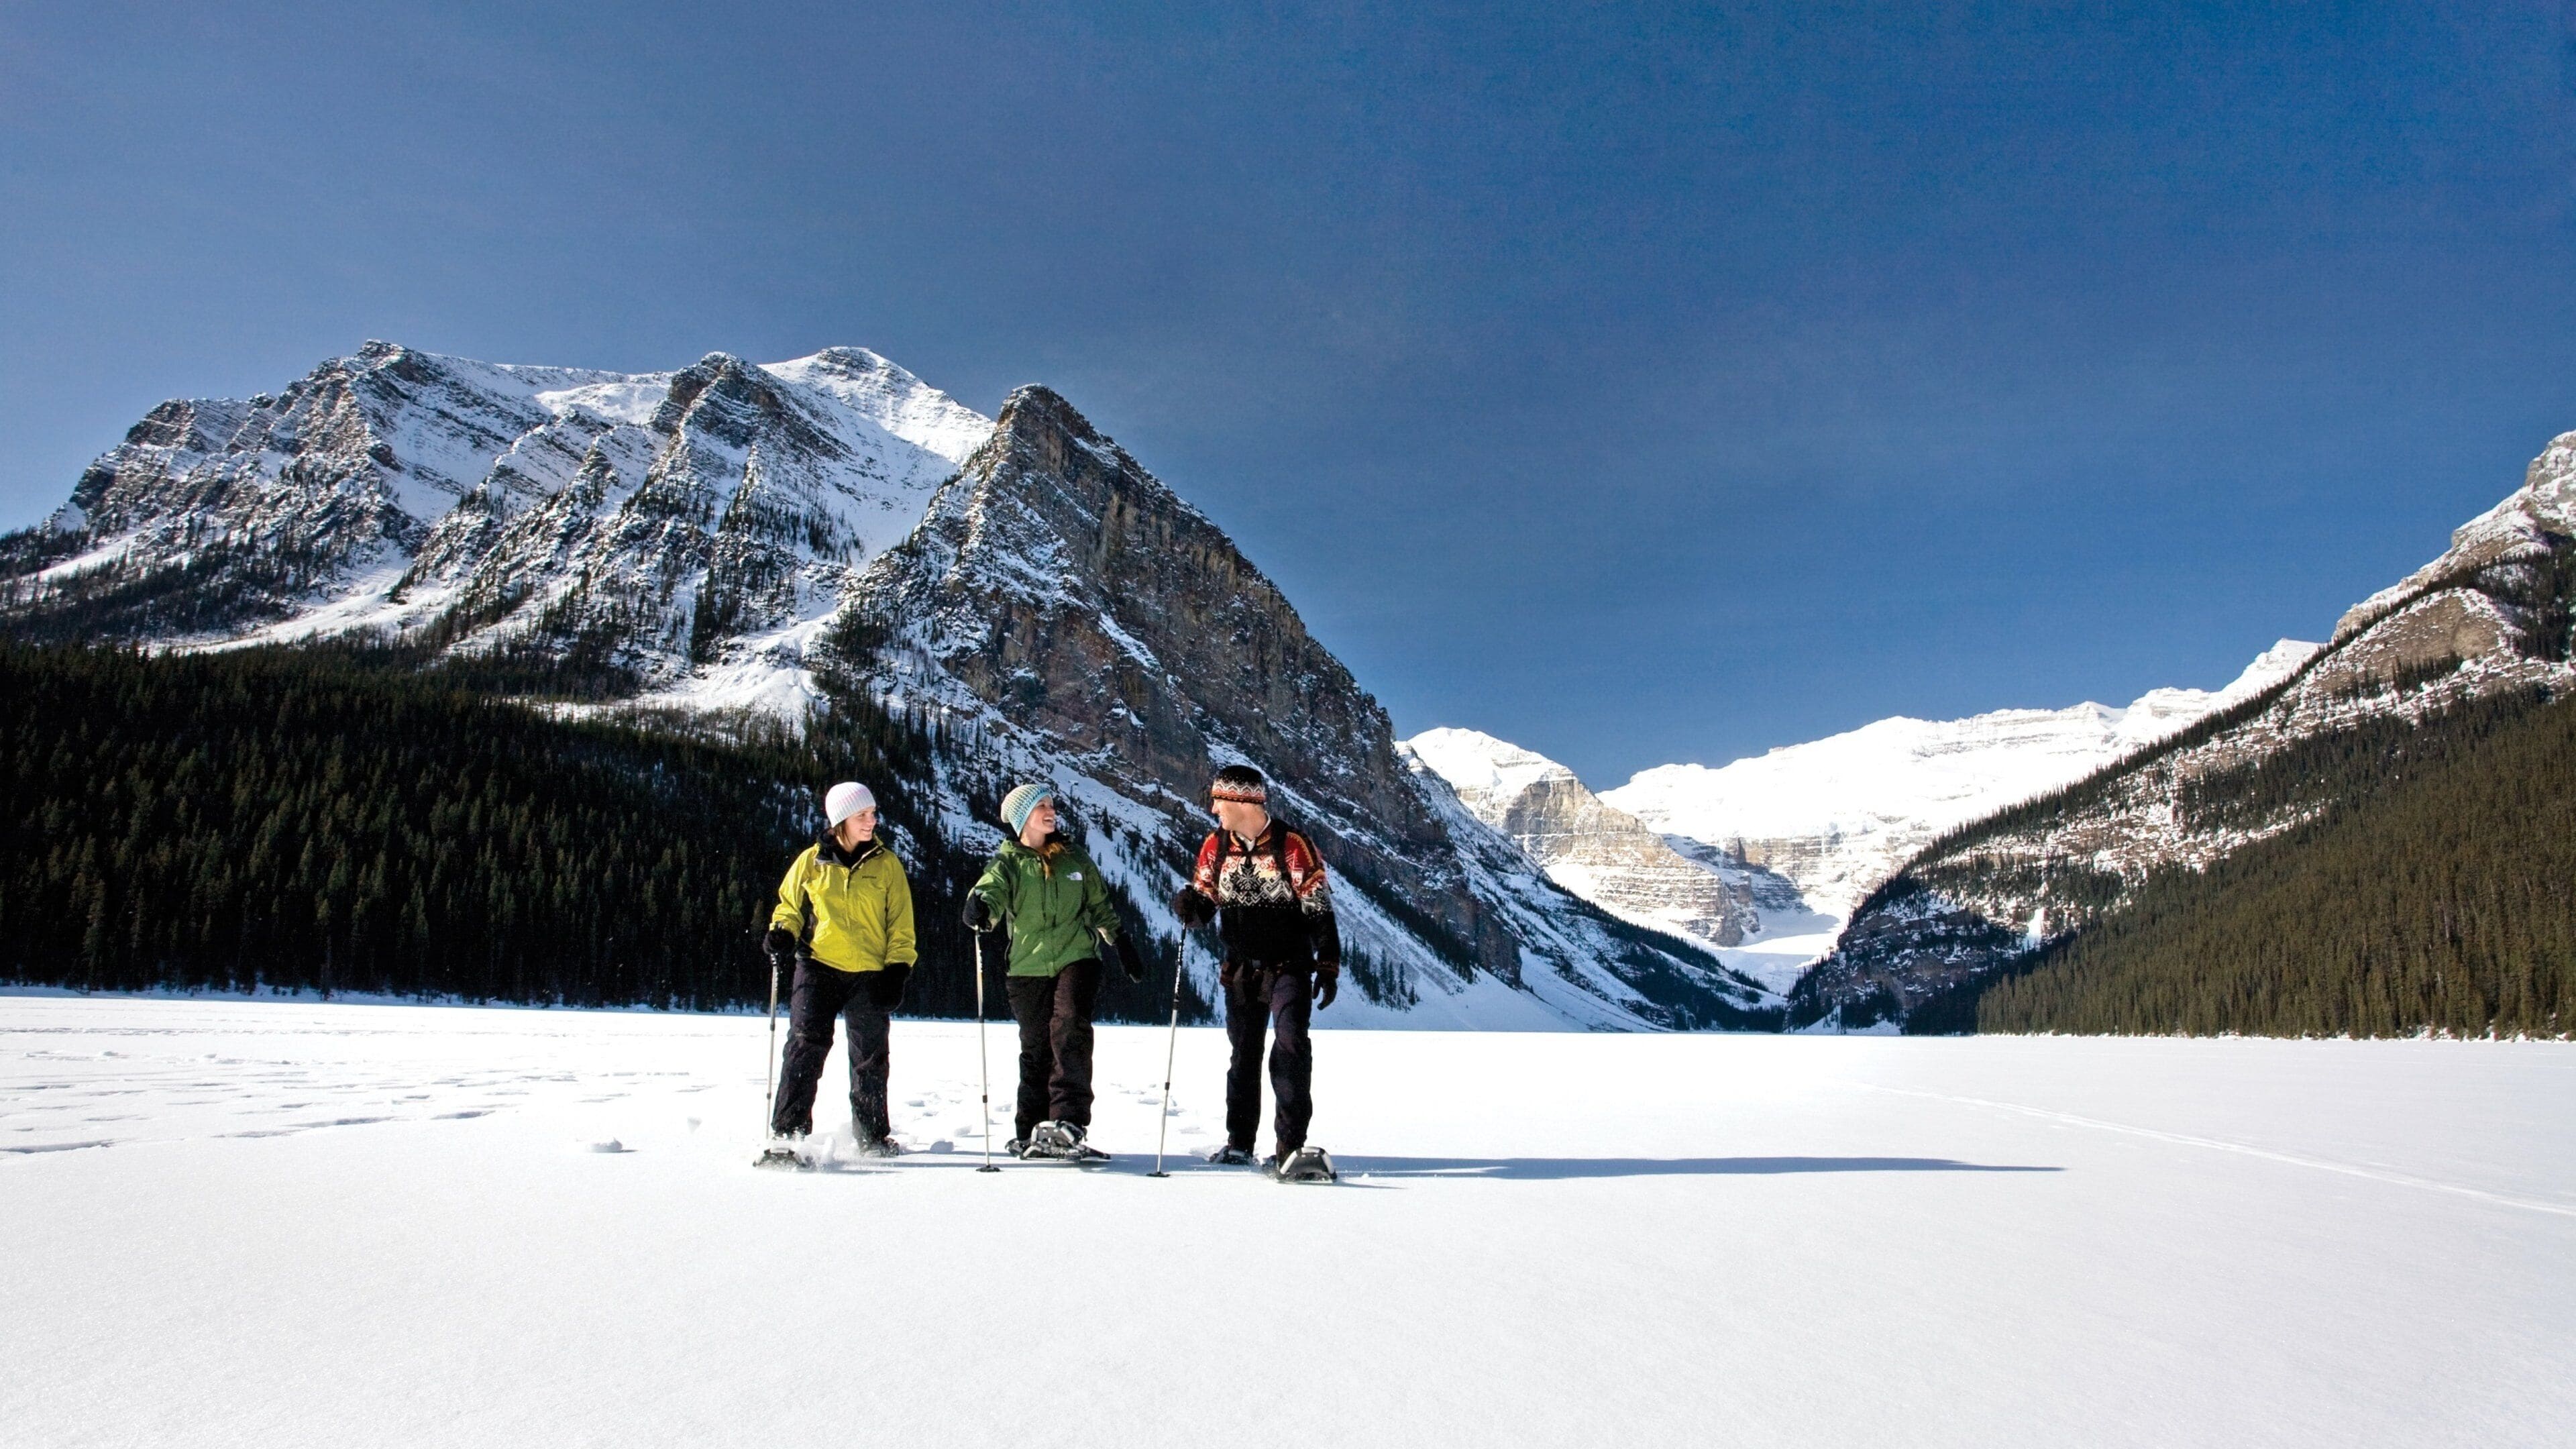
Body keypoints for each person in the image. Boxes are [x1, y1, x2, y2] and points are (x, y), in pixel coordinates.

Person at [1168, 764, 1341, 1173]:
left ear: (1243, 801)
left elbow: (1319, 910)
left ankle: (1290, 1147)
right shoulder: (1215, 846)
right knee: (1244, 1055)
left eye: (1219, 801)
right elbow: (1206, 902)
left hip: (1290, 966)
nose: (1213, 809)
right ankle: (1239, 1142)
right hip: (1241, 970)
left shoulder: (1293, 845)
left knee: (1291, 1043)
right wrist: (1190, 907)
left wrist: (1328, 965)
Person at [964, 782, 1144, 1159]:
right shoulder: (1007, 862)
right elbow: (990, 892)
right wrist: (980, 908)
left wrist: (1120, 941)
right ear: (1021, 819)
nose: (1050, 811)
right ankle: (1030, 1129)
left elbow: (1099, 905)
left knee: (1069, 1029)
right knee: (1035, 1048)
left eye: (1051, 804)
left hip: (1077, 957)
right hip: (1027, 967)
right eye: (1040, 806)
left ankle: (1068, 1122)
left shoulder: (1075, 859)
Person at [766, 781, 916, 1156]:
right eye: (862, 816)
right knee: (805, 1045)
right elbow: (789, 906)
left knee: (869, 1056)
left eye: (873, 814)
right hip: (818, 966)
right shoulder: (811, 862)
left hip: (870, 973)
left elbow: (901, 924)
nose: (871, 822)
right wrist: (782, 932)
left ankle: (872, 1138)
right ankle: (788, 1135)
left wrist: (897, 969)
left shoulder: (887, 865)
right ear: (840, 821)